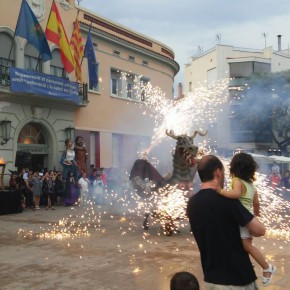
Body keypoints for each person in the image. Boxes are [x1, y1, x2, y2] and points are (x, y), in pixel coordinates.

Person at [187, 155, 266, 290]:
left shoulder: (192, 203)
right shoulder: (228, 201)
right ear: (218, 172)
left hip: (211, 279)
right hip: (238, 279)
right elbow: (260, 230)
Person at [216, 153, 276, 287]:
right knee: (245, 245)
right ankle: (252, 265)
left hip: (242, 219)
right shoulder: (251, 185)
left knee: (246, 245)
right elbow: (256, 203)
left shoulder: (237, 181)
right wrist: (256, 214)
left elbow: (236, 194)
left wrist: (220, 191)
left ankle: (267, 267)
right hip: (248, 218)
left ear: (234, 168)